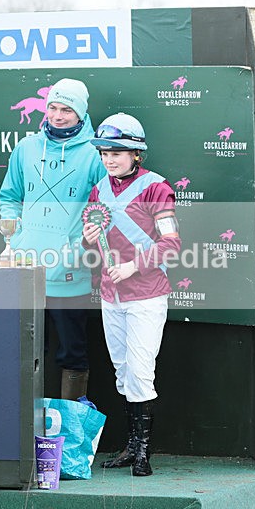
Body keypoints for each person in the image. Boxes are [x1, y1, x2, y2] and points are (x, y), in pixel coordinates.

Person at [82, 112, 180, 477]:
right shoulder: (98, 190)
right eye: (105, 153)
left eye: (117, 153)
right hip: (112, 295)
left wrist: (132, 266)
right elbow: (92, 239)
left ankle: (143, 453)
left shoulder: (157, 187)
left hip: (145, 294)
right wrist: (87, 239)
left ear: (136, 154)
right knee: (123, 373)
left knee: (140, 372)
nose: (109, 159)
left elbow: (171, 243)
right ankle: (129, 448)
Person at [0, 78, 106, 401]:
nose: (58, 116)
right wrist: (16, 239)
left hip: (71, 274)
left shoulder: (95, 155)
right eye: (54, 108)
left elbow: (104, 208)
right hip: (27, 272)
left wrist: (79, 248)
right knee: (28, 353)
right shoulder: (26, 148)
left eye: (67, 110)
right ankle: (28, 435)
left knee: (72, 354)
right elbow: (9, 197)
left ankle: (68, 437)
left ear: (81, 113)